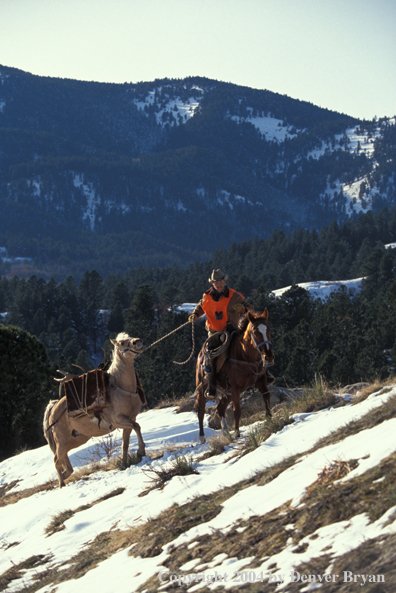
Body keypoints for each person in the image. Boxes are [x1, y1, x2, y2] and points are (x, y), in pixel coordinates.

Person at [189, 269, 252, 396]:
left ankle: (262, 375)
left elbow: (250, 309)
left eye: (221, 282)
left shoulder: (234, 296)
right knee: (210, 355)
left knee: (250, 347)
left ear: (225, 281)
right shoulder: (206, 296)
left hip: (232, 331)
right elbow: (201, 307)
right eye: (216, 282)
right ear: (212, 283)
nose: (219, 284)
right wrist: (195, 315)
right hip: (214, 333)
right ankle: (211, 385)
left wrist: (243, 309)